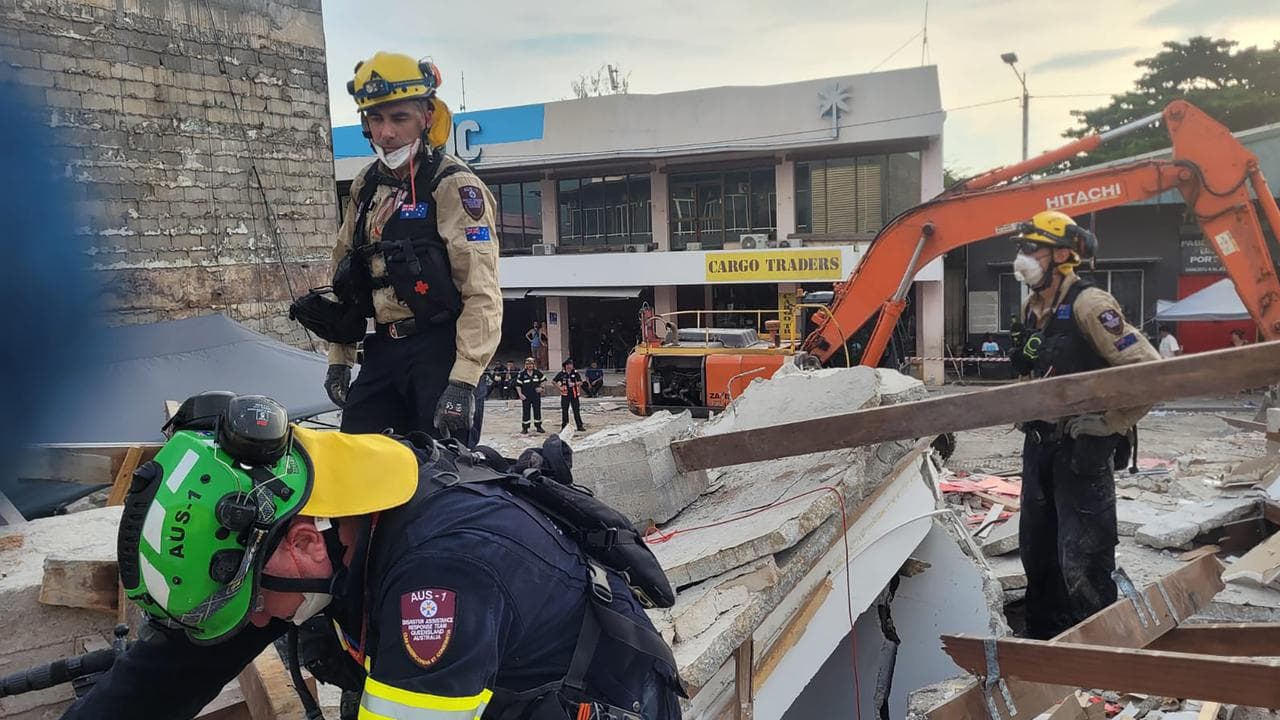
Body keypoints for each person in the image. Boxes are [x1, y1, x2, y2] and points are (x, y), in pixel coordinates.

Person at [62, 394, 682, 720]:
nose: (258, 624)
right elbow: (165, 675)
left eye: (251, 610)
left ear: (302, 541)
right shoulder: (317, 503)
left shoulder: (442, 579)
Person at [308, 52, 502, 443]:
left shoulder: (453, 186)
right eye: (376, 119)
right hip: (383, 349)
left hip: (440, 352)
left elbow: (481, 292)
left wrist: (464, 381)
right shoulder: (366, 185)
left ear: (426, 117)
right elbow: (346, 274)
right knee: (356, 459)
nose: (386, 133)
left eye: (399, 118)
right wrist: (339, 359)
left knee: (440, 478)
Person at [1005, 211, 1160, 640]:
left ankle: (1097, 650)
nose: (1023, 258)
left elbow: (1149, 371)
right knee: (1039, 554)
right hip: (1039, 447)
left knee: (1084, 559)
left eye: (1031, 248)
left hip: (1081, 451)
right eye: (1021, 248)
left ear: (1061, 254)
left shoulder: (1090, 305)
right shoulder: (1032, 307)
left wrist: (1111, 421)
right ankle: (1044, 643)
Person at [515, 357, 546, 434]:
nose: (530, 365)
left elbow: (544, 380)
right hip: (526, 396)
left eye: (531, 364)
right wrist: (520, 394)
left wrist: (541, 387)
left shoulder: (537, 373)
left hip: (536, 396)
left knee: (537, 411)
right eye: (528, 364)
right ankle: (525, 428)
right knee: (526, 412)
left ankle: (538, 426)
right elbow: (518, 385)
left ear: (533, 365)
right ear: (526, 365)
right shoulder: (522, 374)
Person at [554, 358, 587, 432]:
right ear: (565, 366)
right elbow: (554, 381)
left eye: (571, 365)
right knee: (565, 410)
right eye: (568, 365)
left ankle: (579, 426)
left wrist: (574, 384)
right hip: (565, 394)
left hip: (574, 394)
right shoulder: (561, 373)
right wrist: (560, 387)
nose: (569, 366)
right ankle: (564, 426)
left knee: (576, 410)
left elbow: (580, 382)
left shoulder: (575, 373)